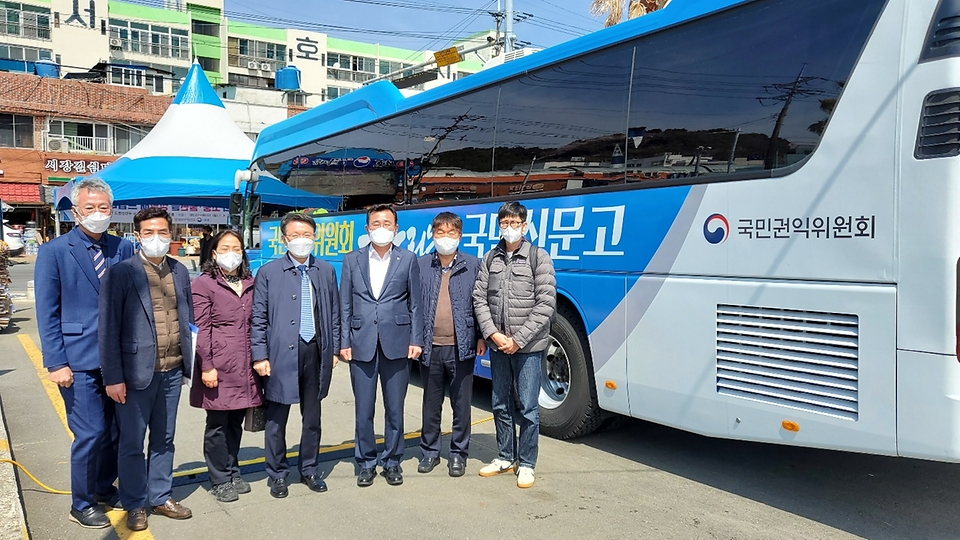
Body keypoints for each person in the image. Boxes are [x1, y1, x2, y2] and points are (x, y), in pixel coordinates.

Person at [34, 179, 134, 529]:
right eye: (89, 208)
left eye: (103, 208)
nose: (97, 214)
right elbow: (47, 311)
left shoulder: (123, 248)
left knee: (113, 432)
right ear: (76, 211)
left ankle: (105, 487)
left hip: (117, 360)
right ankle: (82, 502)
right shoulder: (55, 251)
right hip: (77, 359)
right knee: (89, 433)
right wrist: (55, 362)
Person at [99, 207, 195, 531]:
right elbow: (108, 330)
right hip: (135, 374)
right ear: (137, 236)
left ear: (171, 234)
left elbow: (187, 322)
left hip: (171, 370)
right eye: (149, 233)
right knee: (131, 443)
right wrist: (113, 377)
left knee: (165, 439)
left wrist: (188, 365)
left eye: (163, 232)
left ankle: (161, 495)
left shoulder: (180, 271)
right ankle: (135, 503)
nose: (157, 238)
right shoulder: (121, 273)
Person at [251, 212, 341, 499]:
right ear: (284, 239)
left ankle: (310, 468)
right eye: (295, 236)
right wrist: (260, 355)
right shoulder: (268, 272)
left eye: (307, 235)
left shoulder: (325, 270)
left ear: (314, 238)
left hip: (315, 351)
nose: (302, 241)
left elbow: (335, 314)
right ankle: (277, 473)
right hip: (280, 354)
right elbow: (258, 318)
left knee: (312, 416)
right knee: (277, 418)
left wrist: (335, 349)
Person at [473, 201, 556, 489]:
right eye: (505, 223)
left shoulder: (538, 257)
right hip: (498, 344)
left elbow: (545, 303)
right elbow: (479, 298)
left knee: (529, 407)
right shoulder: (490, 258)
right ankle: (505, 456)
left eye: (515, 223)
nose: (510, 228)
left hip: (528, 347)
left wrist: (518, 340)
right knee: (499, 403)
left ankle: (527, 463)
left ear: (525, 225)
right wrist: (493, 334)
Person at [340, 204, 423, 487]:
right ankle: (365, 462)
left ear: (396, 229)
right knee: (364, 409)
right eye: (376, 223)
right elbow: (345, 305)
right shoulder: (351, 260)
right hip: (360, 342)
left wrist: (416, 339)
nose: (382, 228)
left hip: (397, 343)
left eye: (387, 223)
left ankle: (392, 461)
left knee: (395, 408)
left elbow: (416, 304)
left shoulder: (408, 259)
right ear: (367, 229)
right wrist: (343, 342)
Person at [189, 230, 262, 503]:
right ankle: (219, 478)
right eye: (226, 247)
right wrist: (206, 365)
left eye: (237, 248)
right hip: (218, 364)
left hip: (245, 366)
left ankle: (233, 470)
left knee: (235, 423)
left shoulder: (250, 282)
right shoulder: (204, 284)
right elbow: (201, 328)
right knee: (217, 424)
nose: (233, 252)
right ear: (214, 253)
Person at [416, 212, 485, 477]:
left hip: (462, 346)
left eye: (451, 233)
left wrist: (480, 336)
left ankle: (458, 454)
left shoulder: (473, 265)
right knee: (431, 404)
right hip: (430, 346)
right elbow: (413, 305)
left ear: (460, 235)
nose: (446, 238)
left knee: (461, 404)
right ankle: (430, 452)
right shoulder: (421, 265)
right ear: (433, 234)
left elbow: (480, 304)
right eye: (440, 233)